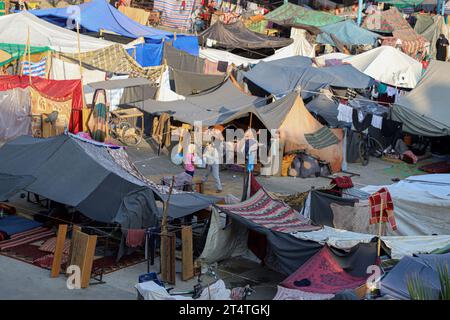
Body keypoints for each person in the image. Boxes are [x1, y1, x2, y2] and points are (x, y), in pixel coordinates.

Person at [202, 126, 223, 193]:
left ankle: (219, 188)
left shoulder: (216, 146)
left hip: (214, 162)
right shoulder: (209, 145)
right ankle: (202, 182)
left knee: (215, 174)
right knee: (207, 172)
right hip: (210, 161)